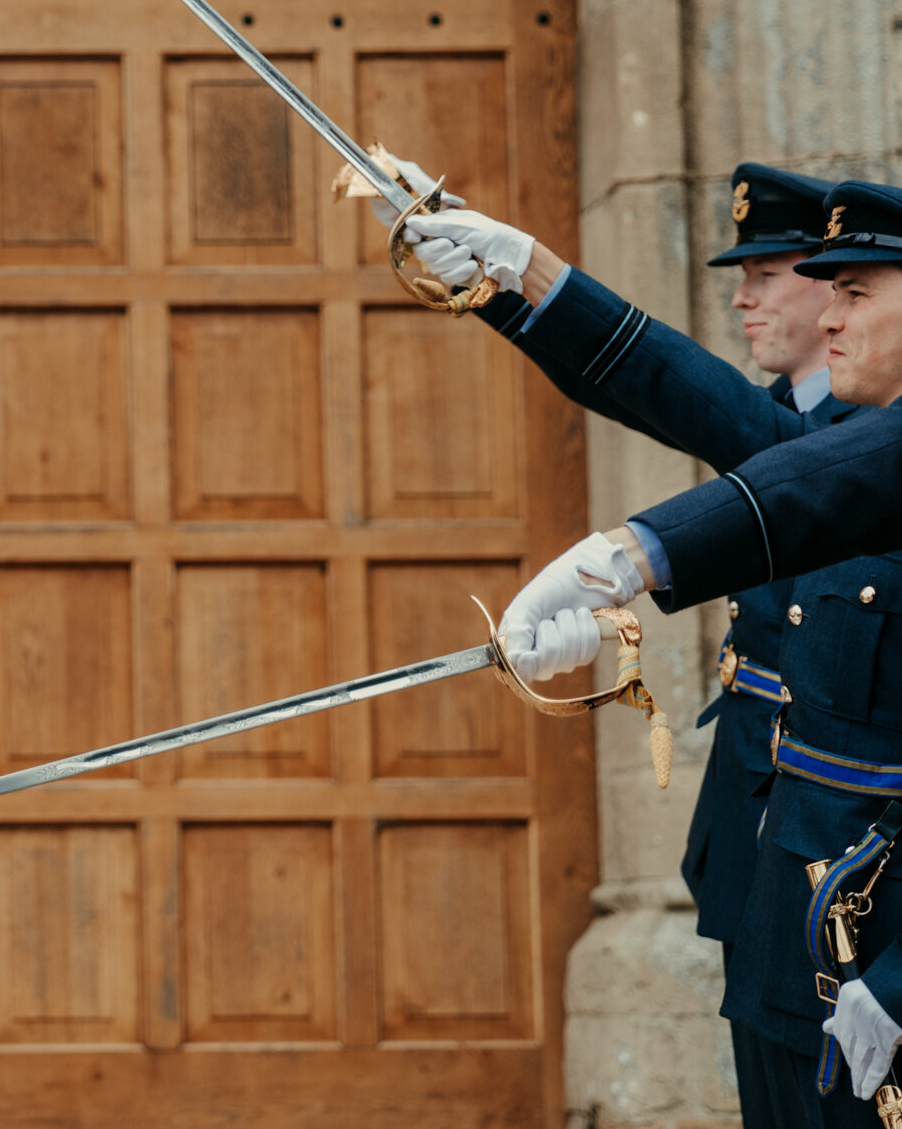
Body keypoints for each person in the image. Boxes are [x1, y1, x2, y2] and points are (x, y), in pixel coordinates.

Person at [384, 159, 850, 1121]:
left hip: (837, 879)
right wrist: (497, 287)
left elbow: (724, 423)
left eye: (776, 273)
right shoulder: (813, 425)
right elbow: (659, 403)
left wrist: (534, 272)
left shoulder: (856, 441)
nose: (746, 294)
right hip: (759, 854)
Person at [492, 181, 902, 1122]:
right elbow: (735, 441)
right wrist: (523, 280)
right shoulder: (840, 446)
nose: (828, 315)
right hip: (791, 928)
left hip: (877, 946)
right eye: (825, 291)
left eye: (855, 293)